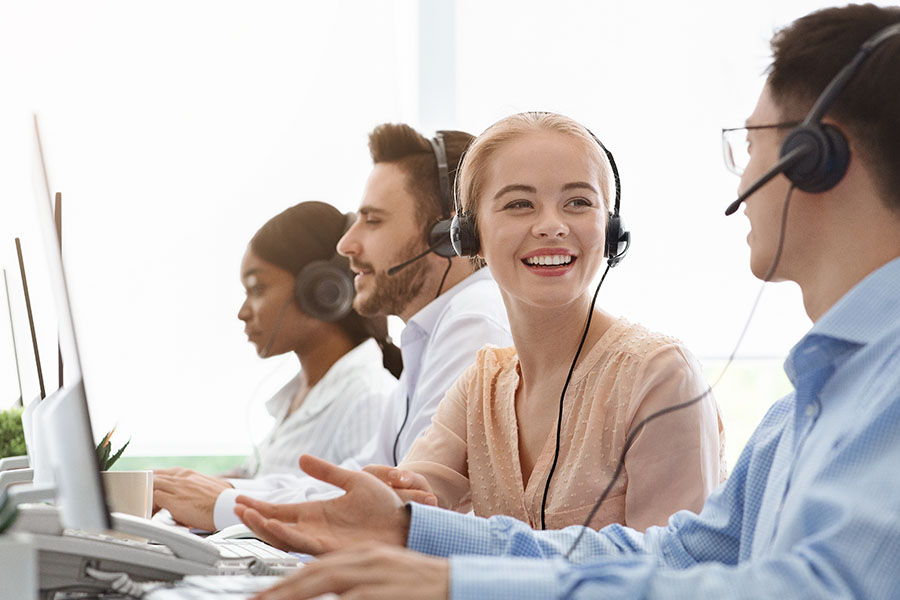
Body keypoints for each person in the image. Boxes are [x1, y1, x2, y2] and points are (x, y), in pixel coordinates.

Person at [238, 5, 900, 599]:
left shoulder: (883, 385)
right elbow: (678, 556)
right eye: (518, 204)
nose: (745, 176)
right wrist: (427, 542)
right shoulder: (807, 404)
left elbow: (816, 589)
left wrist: (458, 584)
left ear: (819, 158)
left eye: (751, 143)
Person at [352, 112, 725, 532]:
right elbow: (413, 493)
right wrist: (384, 503)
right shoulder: (482, 386)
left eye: (579, 202)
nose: (552, 225)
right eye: (519, 204)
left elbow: (669, 576)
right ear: (468, 235)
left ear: (611, 228)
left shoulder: (659, 376)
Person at [156, 123, 513, 532]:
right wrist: (215, 493)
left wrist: (224, 505)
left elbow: (403, 509)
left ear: (445, 236)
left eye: (373, 221)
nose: (346, 246)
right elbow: (359, 481)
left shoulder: (474, 319)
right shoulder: (429, 336)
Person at [153, 201, 400, 527]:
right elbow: (263, 478)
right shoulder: (299, 394)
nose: (243, 312)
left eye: (257, 288)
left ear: (323, 291)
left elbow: (362, 518)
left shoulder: (369, 398)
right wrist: (172, 488)